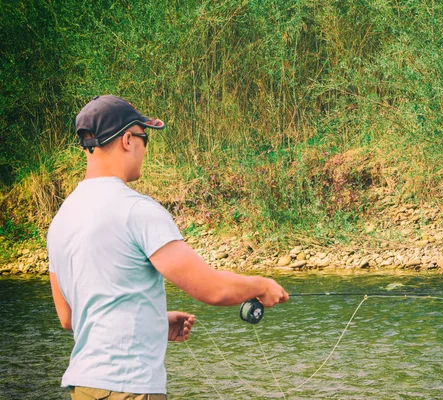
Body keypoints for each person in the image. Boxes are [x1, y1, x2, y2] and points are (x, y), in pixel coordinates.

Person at [48, 95, 289, 400]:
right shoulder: (136, 210)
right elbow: (212, 289)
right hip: (129, 389)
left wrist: (154, 322)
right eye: (143, 137)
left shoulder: (61, 220)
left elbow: (70, 317)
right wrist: (261, 285)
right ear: (126, 140)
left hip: (85, 389)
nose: (145, 147)